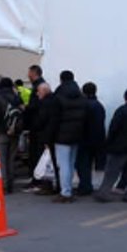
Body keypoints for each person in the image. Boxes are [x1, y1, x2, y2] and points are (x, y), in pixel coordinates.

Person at [95, 88, 127, 203]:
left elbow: (114, 128)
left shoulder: (122, 110)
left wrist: (108, 143)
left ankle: (103, 193)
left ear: (125, 97)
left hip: (120, 146)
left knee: (112, 171)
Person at [50, 70, 86, 203]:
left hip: (62, 135)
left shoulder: (58, 96)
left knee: (63, 164)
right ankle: (68, 189)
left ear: (61, 80)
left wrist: (50, 136)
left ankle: (65, 192)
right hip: (77, 134)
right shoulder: (81, 96)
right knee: (70, 164)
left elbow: (54, 118)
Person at [0, 78, 24, 193]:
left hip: (1, 132)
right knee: (11, 159)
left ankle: (4, 185)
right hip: (15, 132)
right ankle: (10, 183)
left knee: (2, 160)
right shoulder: (17, 97)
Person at [76, 82, 106, 196]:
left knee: (83, 164)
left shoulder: (84, 105)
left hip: (84, 139)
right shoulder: (98, 105)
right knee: (90, 164)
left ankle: (85, 186)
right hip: (97, 139)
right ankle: (87, 185)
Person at [30, 83, 59, 195]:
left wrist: (34, 124)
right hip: (52, 136)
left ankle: (47, 186)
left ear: (45, 91)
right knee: (51, 162)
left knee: (46, 162)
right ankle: (53, 185)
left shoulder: (46, 103)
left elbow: (42, 120)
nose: (37, 93)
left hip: (45, 136)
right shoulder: (54, 100)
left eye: (39, 91)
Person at [23, 65, 47, 191]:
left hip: (37, 126)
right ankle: (37, 179)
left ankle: (36, 180)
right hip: (38, 126)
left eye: (29, 72)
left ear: (34, 72)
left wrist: (25, 109)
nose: (28, 75)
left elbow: (34, 106)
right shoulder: (40, 85)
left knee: (36, 153)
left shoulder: (38, 86)